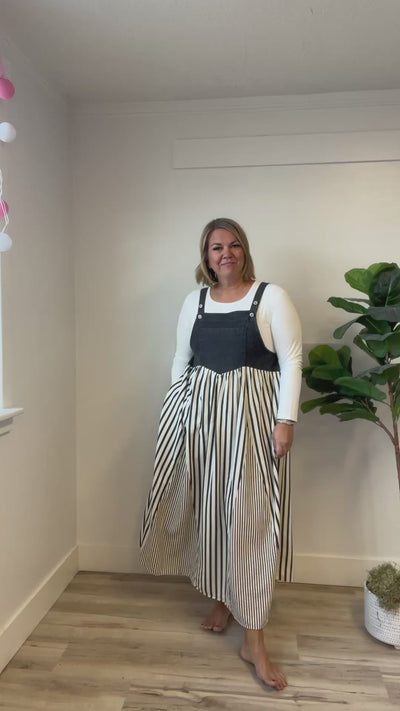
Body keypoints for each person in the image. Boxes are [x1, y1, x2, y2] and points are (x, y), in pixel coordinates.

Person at [140, 217, 302, 691]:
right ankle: (223, 598)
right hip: (202, 422)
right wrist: (176, 414)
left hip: (252, 423)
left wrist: (286, 420)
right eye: (216, 247)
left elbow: (292, 360)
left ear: (244, 251)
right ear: (206, 256)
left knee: (250, 521)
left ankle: (254, 641)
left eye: (233, 245)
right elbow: (181, 360)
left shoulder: (271, 297)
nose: (225, 253)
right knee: (211, 515)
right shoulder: (194, 302)